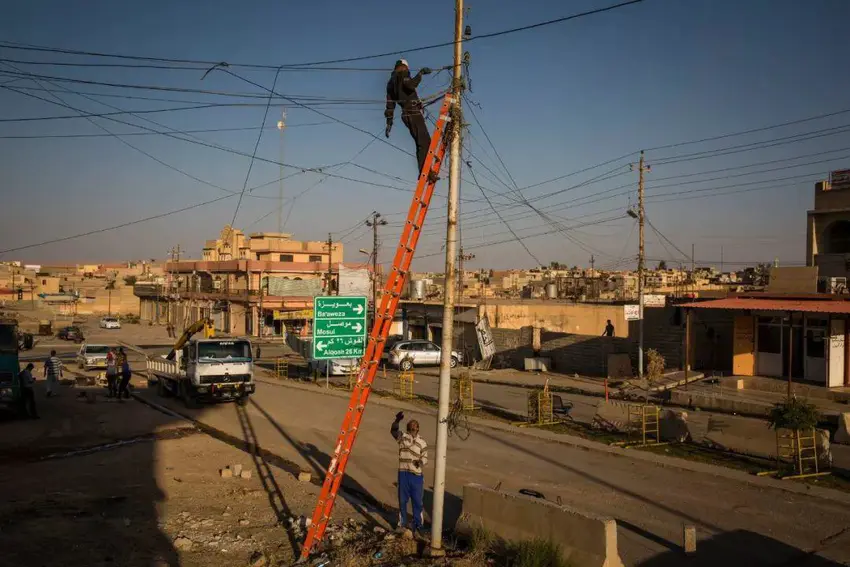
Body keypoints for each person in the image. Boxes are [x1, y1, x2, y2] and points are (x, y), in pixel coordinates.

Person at [385, 59, 433, 175]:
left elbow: (390, 104)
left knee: (420, 143)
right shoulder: (403, 74)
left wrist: (389, 122)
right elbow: (410, 85)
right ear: (405, 67)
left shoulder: (391, 83)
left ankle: (425, 171)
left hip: (406, 115)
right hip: (412, 112)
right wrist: (420, 74)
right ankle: (425, 172)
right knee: (425, 142)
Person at [391, 411, 428, 537]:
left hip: (416, 476)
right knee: (402, 501)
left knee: (417, 502)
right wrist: (397, 421)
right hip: (403, 474)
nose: (413, 425)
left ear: (417, 428)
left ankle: (418, 525)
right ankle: (402, 523)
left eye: (415, 424)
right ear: (408, 427)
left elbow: (425, 458)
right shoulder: (402, 437)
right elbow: (393, 431)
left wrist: (420, 462)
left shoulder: (422, 442)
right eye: (411, 424)